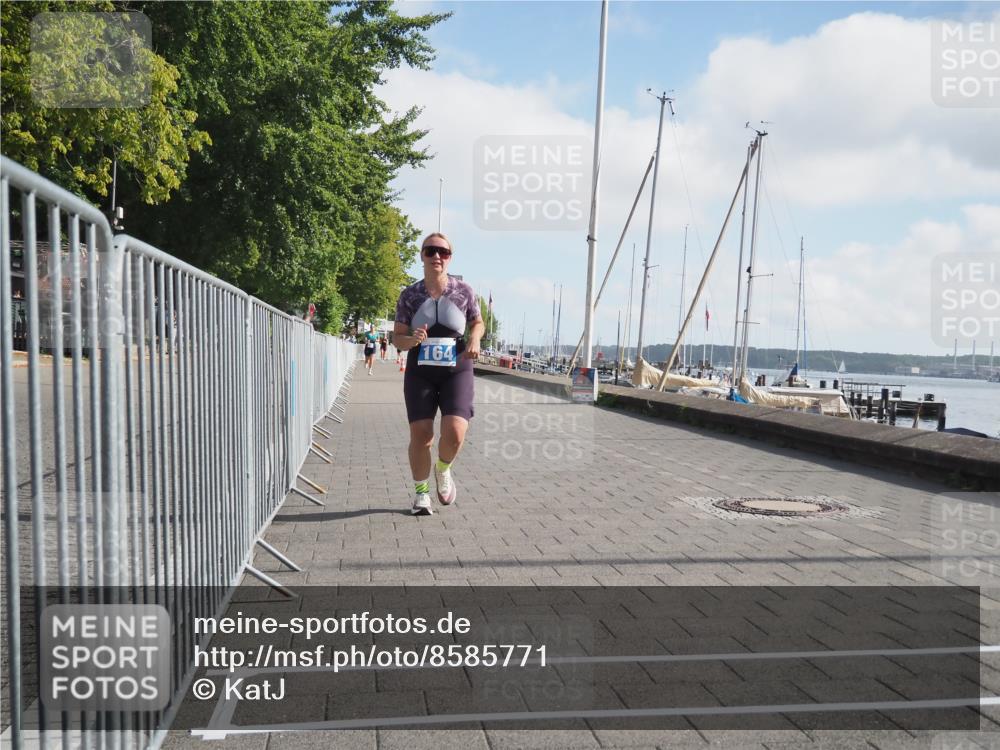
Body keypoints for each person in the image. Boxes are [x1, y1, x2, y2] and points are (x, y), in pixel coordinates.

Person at [393, 233, 483, 515]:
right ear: (421, 255)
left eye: (443, 252)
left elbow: (477, 322)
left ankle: (443, 469)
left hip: (457, 368)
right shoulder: (410, 295)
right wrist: (412, 340)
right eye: (430, 251)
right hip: (421, 370)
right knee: (421, 434)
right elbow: (397, 339)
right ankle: (421, 494)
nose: (436, 257)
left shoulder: (463, 291)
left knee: (455, 431)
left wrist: (475, 338)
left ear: (449, 258)